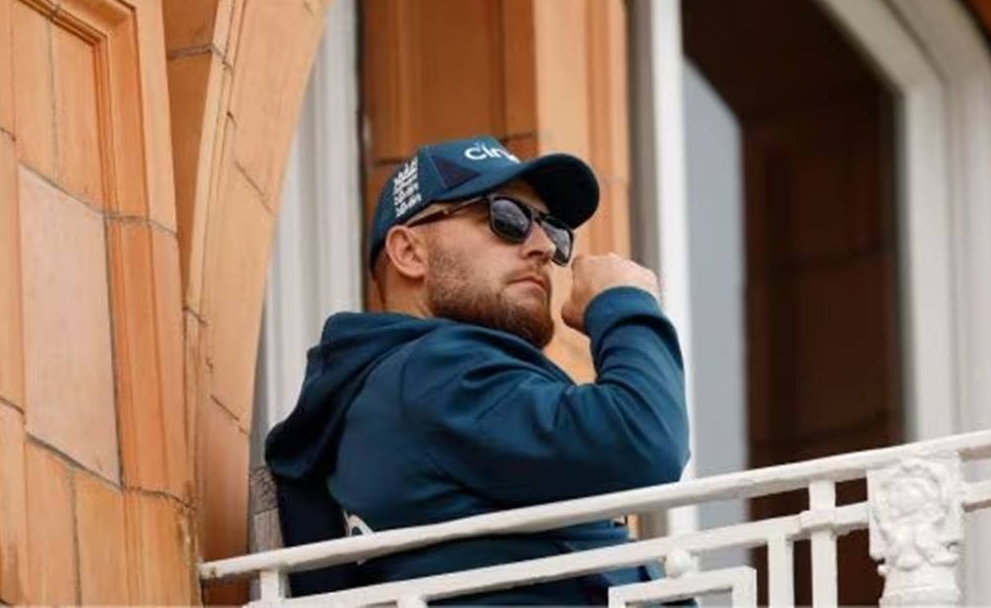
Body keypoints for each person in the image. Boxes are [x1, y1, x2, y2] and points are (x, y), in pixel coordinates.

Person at [264, 135, 690, 604]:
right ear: (409, 252)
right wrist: (624, 303)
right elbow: (644, 437)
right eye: (507, 217)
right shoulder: (435, 371)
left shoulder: (421, 382)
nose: (542, 246)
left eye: (553, 230)